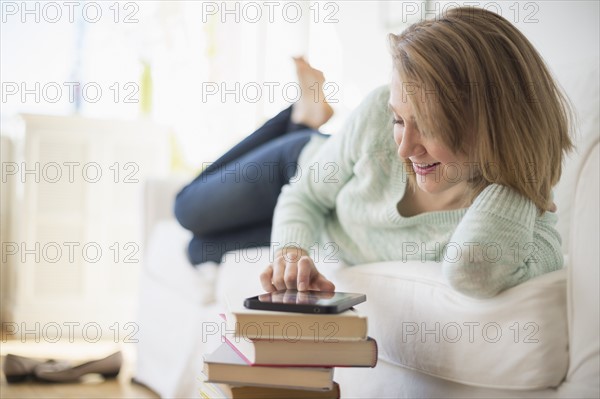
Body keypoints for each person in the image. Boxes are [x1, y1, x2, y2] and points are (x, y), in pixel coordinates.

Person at [177, 6, 573, 299]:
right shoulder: (374, 121)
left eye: (431, 127)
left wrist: (522, 179)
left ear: (495, 125)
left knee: (197, 250)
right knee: (185, 210)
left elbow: (474, 271)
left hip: (337, 222)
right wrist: (293, 250)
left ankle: (305, 114)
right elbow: (306, 195)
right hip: (302, 168)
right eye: (399, 119)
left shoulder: (524, 227)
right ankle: (301, 118)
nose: (403, 148)